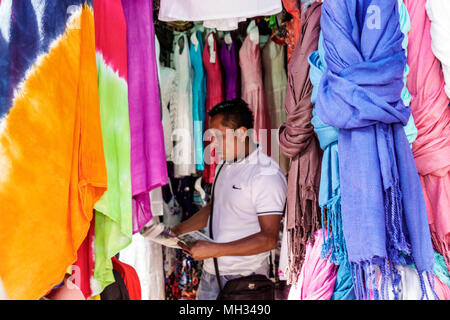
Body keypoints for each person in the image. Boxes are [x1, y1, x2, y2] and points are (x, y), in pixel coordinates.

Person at [170, 98, 287, 300]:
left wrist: (215, 249)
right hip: (210, 273)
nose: (213, 144)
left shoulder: (265, 174)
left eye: (219, 136)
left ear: (241, 133)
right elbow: (215, 208)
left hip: (244, 280)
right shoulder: (225, 166)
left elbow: (269, 239)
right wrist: (177, 232)